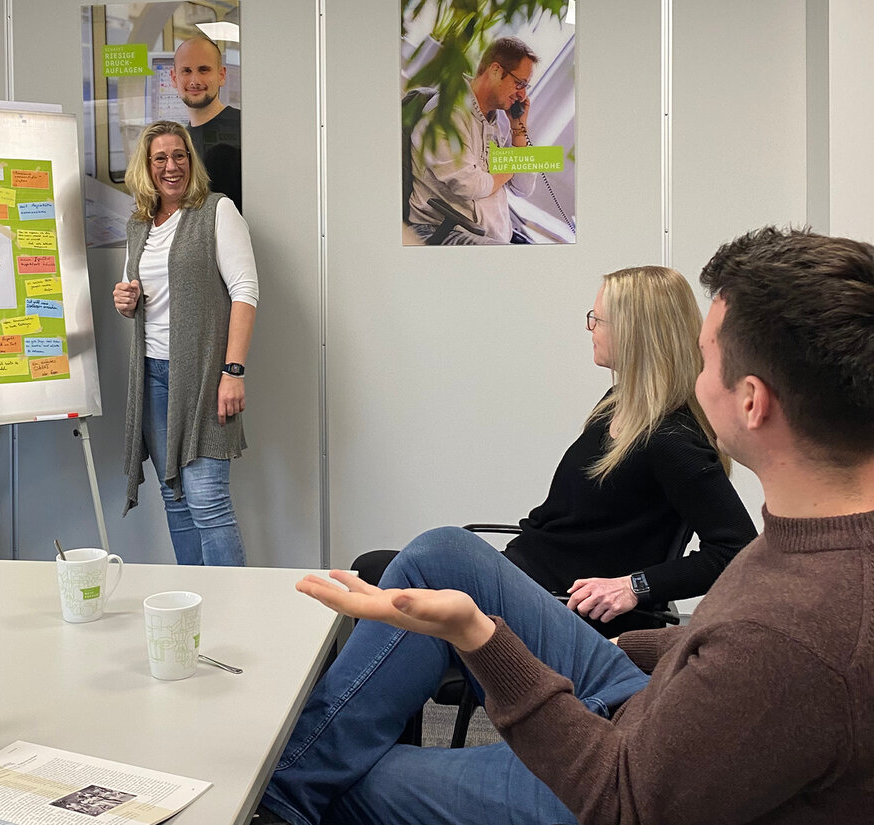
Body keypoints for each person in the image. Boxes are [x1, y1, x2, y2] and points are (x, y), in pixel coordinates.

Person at [262, 226, 874, 825]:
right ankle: (295, 780)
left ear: (751, 401)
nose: (695, 371)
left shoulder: (793, 630)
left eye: (709, 358)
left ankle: (281, 794)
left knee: (358, 780)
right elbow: (726, 651)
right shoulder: (802, 543)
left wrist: (481, 637)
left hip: (624, 765)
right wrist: (637, 646)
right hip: (649, 692)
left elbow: (626, 798)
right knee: (442, 551)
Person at [357, 266, 756, 638]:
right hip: (527, 575)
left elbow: (735, 548)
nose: (590, 328)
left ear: (635, 333)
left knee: (408, 563)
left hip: (553, 602)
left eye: (598, 320)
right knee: (377, 569)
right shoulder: (618, 404)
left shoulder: (670, 437)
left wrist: (635, 587)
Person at [113, 120, 258, 566]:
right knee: (174, 495)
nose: (171, 166)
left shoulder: (217, 211)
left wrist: (233, 372)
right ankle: (196, 613)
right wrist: (126, 300)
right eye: (160, 158)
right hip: (153, 376)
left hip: (204, 377)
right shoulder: (139, 224)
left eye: (180, 156)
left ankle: (233, 613)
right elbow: (133, 293)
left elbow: (245, 291)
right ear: (147, 166)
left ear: (191, 162)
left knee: (208, 500)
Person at [408, 37, 538, 245]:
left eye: (526, 86)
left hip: (493, 235)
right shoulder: (448, 113)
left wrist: (518, 131)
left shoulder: (502, 120)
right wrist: (511, 167)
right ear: (495, 70)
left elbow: (523, 188)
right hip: (443, 229)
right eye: (519, 83)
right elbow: (470, 185)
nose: (522, 95)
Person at [172, 36, 242, 212]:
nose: (195, 80)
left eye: (204, 70)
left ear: (221, 75)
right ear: (174, 78)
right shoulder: (181, 141)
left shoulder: (245, 128)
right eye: (186, 71)